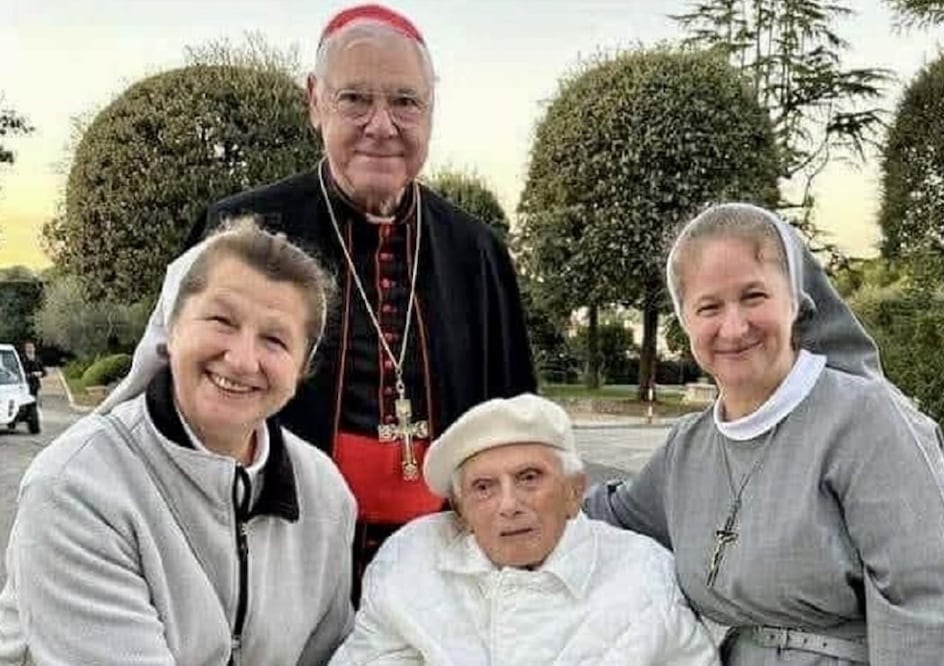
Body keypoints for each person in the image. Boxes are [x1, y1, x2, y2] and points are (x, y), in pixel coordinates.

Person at [185, 3, 535, 566]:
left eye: (405, 102)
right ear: (314, 101)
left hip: (450, 563)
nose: (382, 125)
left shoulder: (478, 252)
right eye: (355, 99)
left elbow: (519, 425)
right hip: (280, 553)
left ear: (431, 110)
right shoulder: (242, 233)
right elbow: (180, 398)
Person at [584, 203, 944, 664]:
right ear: (686, 321)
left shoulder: (868, 421)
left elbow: (928, 608)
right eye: (709, 307)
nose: (734, 327)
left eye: (754, 297)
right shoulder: (688, 448)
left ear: (795, 301)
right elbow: (602, 519)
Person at [0, 219, 357, 665]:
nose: (242, 360)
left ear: (302, 368)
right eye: (222, 321)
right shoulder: (75, 489)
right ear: (171, 329)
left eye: (275, 340)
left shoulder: (325, 495)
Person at [330, 393, 718, 665]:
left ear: (574, 492)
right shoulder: (411, 562)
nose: (509, 504)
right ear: (461, 511)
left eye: (529, 478)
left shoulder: (642, 574)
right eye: (483, 487)